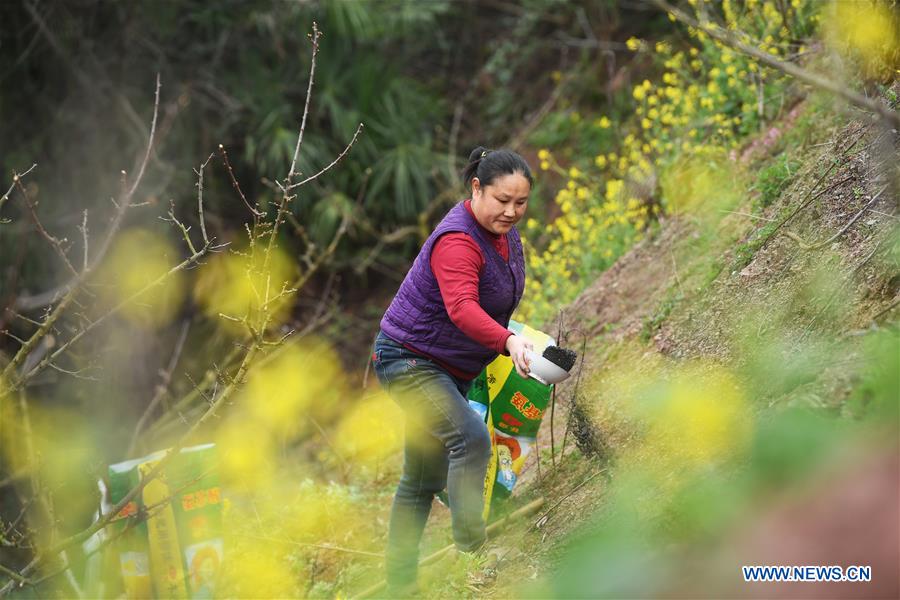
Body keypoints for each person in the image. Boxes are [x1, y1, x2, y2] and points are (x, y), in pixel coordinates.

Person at [371, 146, 535, 596]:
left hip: (446, 366)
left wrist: (519, 343)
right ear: (476, 188)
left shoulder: (503, 235)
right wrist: (506, 341)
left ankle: (399, 586)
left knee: (421, 479)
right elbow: (462, 307)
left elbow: (493, 302)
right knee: (470, 439)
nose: (511, 211)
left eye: (521, 202)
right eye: (502, 200)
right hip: (408, 361)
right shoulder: (458, 241)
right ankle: (474, 558)